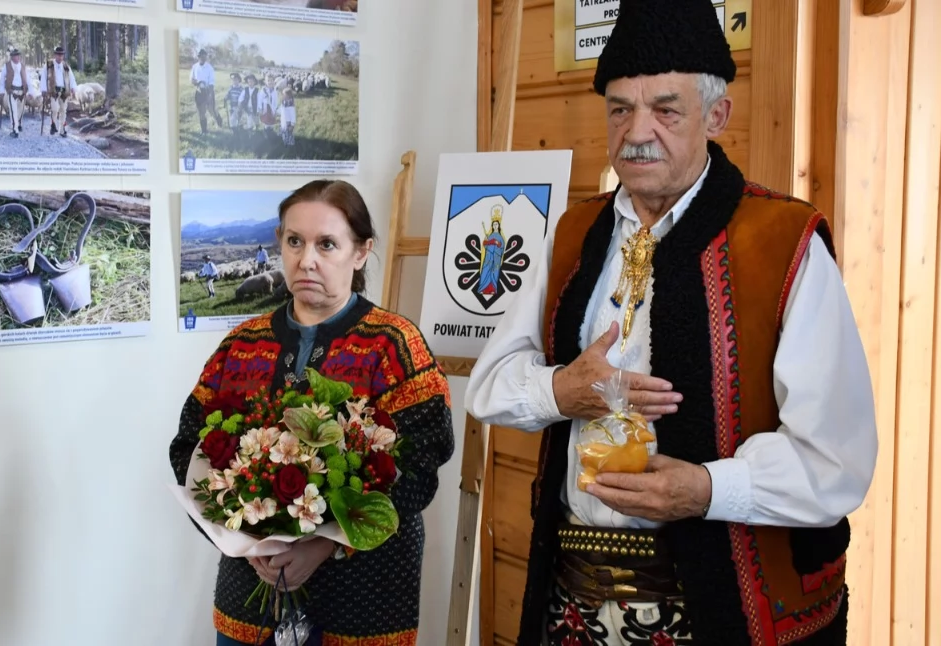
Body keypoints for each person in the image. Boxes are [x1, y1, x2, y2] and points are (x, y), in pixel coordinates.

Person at [464, 1, 878, 645]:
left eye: (666, 109)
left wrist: (707, 490)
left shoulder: (782, 241)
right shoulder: (574, 233)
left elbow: (836, 460)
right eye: (620, 108)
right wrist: (559, 391)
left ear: (717, 116)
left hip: (723, 608)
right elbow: (490, 381)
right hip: (573, 600)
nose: (637, 130)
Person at [170, 179, 455, 645]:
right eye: (294, 241)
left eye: (327, 244)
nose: (307, 260)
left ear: (361, 252)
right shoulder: (241, 346)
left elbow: (420, 465)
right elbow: (190, 445)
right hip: (252, 586)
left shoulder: (394, 345)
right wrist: (245, 539)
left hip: (364, 596)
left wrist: (326, 544)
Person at [40, 45, 76, 137]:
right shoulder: (48, 65)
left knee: (63, 110)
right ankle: (53, 124)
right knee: (55, 109)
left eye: (61, 55)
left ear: (63, 56)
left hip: (64, 91)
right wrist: (43, 89)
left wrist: (73, 87)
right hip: (53, 91)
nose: (60, 57)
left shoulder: (66, 66)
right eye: (58, 55)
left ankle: (62, 130)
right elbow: (43, 77)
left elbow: (71, 78)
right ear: (55, 55)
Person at [190, 49, 224, 135]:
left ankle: (219, 121)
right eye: (200, 56)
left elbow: (212, 82)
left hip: (208, 91)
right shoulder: (195, 67)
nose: (202, 58)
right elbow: (192, 79)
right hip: (199, 91)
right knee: (201, 112)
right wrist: (195, 82)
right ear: (198, 57)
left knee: (211, 110)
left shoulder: (209, 68)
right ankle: (204, 131)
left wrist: (210, 94)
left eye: (204, 57)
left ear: (206, 57)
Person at [0, 48, 28, 138]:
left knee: (21, 111)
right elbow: (2, 79)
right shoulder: (7, 66)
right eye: (14, 56)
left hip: (22, 92)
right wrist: (2, 91)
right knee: (13, 111)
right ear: (11, 57)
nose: (16, 57)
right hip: (12, 92)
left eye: (17, 55)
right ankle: (15, 130)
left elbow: (28, 79)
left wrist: (31, 92)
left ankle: (18, 124)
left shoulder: (22, 66)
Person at [477, 206, 505, 296]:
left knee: (494, 273)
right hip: (488, 258)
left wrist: (497, 243)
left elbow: (502, 246)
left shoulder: (500, 237)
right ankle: (483, 288)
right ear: (492, 226)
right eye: (493, 225)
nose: (495, 226)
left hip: (495, 258)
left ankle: (493, 289)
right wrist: (487, 242)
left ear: (499, 225)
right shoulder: (491, 235)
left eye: (496, 224)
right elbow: (485, 244)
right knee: (486, 271)